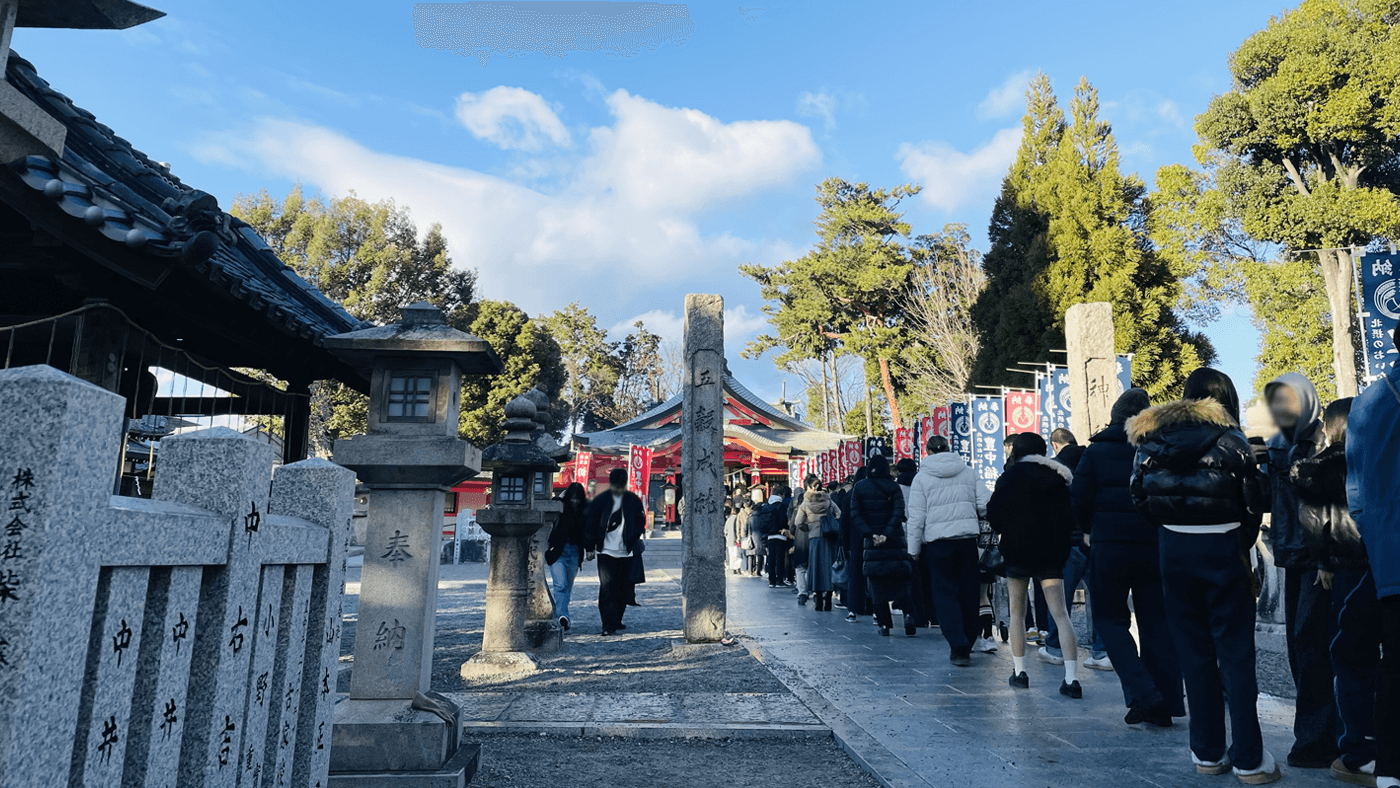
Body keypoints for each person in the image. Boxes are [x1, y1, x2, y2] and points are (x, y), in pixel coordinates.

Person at [1128, 368, 1279, 784]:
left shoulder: (1150, 441)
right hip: (1223, 545)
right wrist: (1240, 539)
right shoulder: (1233, 442)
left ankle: (1206, 752)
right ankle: (1250, 759)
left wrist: (1169, 529)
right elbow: (1257, 500)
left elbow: (1138, 497)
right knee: (1235, 654)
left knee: (1192, 653)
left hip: (1173, 549)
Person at [1072, 388, 1184, 728]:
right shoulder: (1159, 448)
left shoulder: (1096, 452)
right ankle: (1163, 704)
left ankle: (1142, 690)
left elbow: (1077, 499)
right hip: (1154, 544)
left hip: (1109, 546)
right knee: (1156, 624)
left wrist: (1085, 531)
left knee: (1110, 621)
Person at [1293, 398, 1379, 785]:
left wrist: (1323, 561)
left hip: (1338, 569)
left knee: (1342, 656)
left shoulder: (1319, 467)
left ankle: (1354, 748)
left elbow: (1313, 520)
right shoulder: (1375, 460)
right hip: (1377, 567)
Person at [1263, 372, 1338, 770]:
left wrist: (1325, 557)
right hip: (1292, 554)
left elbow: (1328, 503)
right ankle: (1317, 735)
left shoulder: (1323, 439)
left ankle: (1318, 740)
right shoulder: (1278, 445)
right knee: (1300, 649)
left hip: (1317, 557)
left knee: (1313, 648)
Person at [986, 432, 1083, 699]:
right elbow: (1069, 516)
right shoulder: (1057, 477)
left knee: (1017, 612)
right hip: (1051, 554)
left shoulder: (1010, 477)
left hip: (1017, 553)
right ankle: (1072, 678)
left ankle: (1020, 672)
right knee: (1060, 613)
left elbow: (994, 515)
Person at [1345, 326, 1400, 788]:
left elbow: (1356, 497)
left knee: (1393, 662)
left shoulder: (1367, 404)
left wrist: (1379, 538)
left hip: (1392, 557)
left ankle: (1389, 772)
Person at [906, 435, 988, 666]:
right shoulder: (968, 472)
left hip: (937, 542)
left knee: (944, 594)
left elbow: (916, 517)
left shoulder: (921, 478)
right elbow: (984, 504)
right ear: (949, 449)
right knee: (969, 591)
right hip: (967, 540)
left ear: (928, 452)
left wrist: (913, 549)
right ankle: (969, 638)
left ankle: (957, 644)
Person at [1040, 427, 1109, 670]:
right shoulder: (1094, 459)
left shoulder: (1051, 467)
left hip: (1065, 541)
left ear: (1055, 445)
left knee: (1060, 600)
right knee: (1101, 597)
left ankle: (1055, 647)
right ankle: (1102, 651)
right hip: (1096, 538)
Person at [849, 454, 911, 636]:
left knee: (876, 584)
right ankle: (908, 614)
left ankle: (884, 624)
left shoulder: (859, 487)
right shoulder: (894, 487)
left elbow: (856, 515)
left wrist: (871, 534)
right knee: (901, 580)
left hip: (872, 544)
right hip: (895, 542)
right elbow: (898, 512)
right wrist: (887, 534)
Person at [583, 468, 647, 636]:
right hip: (606, 551)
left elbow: (641, 521)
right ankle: (607, 624)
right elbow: (591, 524)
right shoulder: (601, 501)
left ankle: (617, 620)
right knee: (607, 588)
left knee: (623, 588)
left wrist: (633, 536)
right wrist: (589, 547)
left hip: (626, 551)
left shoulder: (633, 500)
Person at [545, 482, 590, 632]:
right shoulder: (560, 506)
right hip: (558, 551)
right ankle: (561, 617)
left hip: (575, 553)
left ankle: (562, 616)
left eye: (578, 499)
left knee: (567, 587)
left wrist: (590, 549)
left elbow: (589, 531)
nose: (575, 502)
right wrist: (562, 496)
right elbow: (552, 503)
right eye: (572, 498)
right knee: (560, 584)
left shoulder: (585, 510)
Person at [795, 474, 841, 611]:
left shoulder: (805, 503)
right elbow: (839, 514)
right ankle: (828, 601)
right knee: (828, 567)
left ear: (809, 487)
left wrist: (808, 528)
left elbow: (798, 522)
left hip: (814, 537)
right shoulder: (829, 500)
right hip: (828, 537)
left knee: (815, 568)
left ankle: (819, 601)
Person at [839, 468, 870, 620]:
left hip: (854, 539)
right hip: (872, 538)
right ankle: (873, 608)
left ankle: (853, 609)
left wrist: (844, 542)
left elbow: (844, 522)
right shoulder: (875, 492)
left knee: (854, 575)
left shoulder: (849, 496)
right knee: (871, 574)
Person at [759, 489, 793, 589]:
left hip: (769, 536)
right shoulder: (781, 506)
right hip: (780, 535)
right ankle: (779, 580)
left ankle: (771, 581)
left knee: (771, 559)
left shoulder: (767, 506)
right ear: (780, 494)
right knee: (780, 559)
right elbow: (783, 520)